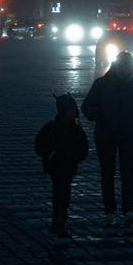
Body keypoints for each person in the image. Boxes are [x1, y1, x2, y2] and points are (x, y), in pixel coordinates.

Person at [82, 51, 133, 227]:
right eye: (121, 66)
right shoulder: (101, 84)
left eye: (127, 66)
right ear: (116, 66)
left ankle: (128, 210)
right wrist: (99, 115)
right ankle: (109, 211)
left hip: (129, 136)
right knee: (107, 174)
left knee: (128, 174)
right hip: (106, 136)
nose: (123, 69)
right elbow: (86, 106)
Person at [35, 93, 89, 238]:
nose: (72, 114)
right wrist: (49, 154)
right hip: (56, 166)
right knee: (59, 191)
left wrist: (78, 157)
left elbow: (84, 146)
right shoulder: (51, 127)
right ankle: (58, 218)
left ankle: (61, 217)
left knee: (65, 192)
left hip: (70, 166)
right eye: (69, 111)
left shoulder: (76, 128)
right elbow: (39, 144)